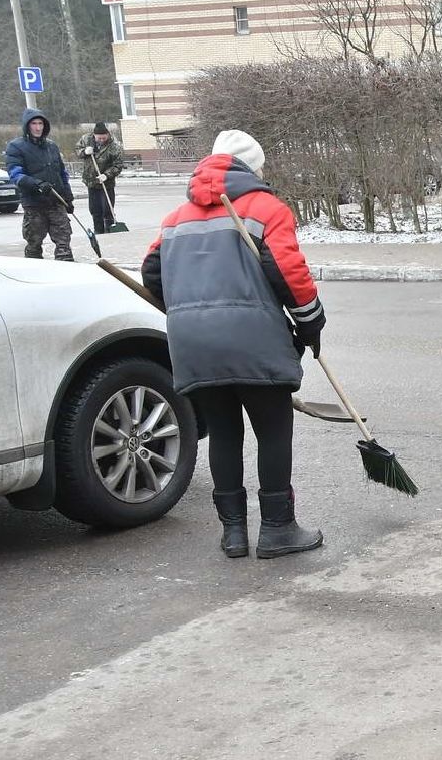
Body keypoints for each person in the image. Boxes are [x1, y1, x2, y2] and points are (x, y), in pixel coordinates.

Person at [141, 129, 327, 560]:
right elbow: (289, 273)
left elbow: (152, 272)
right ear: (251, 169)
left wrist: (189, 308)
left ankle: (234, 533)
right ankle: (278, 529)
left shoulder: (174, 219)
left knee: (223, 433)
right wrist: (311, 323)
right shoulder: (266, 208)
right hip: (254, 340)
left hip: (193, 344)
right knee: (273, 431)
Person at [4, 108, 73, 261]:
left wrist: (68, 197)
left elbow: (62, 173)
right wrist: (37, 184)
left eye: (40, 123)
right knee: (34, 244)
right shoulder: (16, 147)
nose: (38, 127)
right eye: (34, 123)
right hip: (34, 204)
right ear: (27, 126)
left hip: (56, 202)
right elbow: (16, 175)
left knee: (64, 242)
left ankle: (68, 272)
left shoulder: (52, 146)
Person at [76, 122, 124, 235]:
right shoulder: (86, 139)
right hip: (91, 181)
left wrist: (107, 175)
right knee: (94, 209)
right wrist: (84, 152)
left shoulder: (114, 146)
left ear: (107, 134)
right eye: (99, 138)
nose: (101, 140)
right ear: (94, 135)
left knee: (107, 209)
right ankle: (98, 231)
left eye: (104, 137)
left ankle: (110, 229)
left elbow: (118, 165)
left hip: (106, 183)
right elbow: (77, 150)